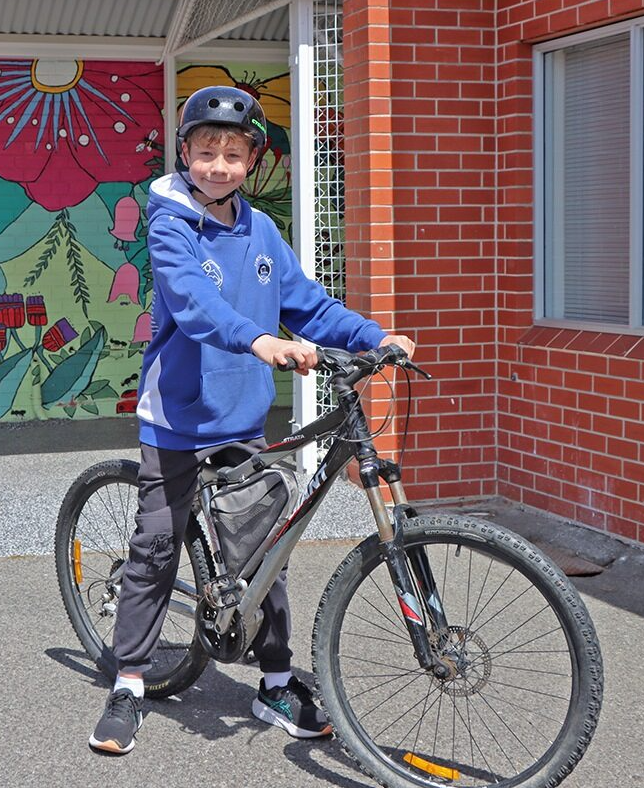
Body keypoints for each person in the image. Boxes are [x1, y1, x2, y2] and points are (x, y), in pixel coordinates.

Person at [88, 85, 416, 755]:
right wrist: (258, 340)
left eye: (232, 154)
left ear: (250, 162)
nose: (217, 164)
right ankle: (128, 683)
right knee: (154, 545)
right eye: (205, 151)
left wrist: (373, 336)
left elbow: (307, 305)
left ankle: (273, 682)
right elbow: (191, 300)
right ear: (184, 153)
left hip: (238, 416)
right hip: (177, 417)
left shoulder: (260, 230)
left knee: (262, 553)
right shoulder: (170, 221)